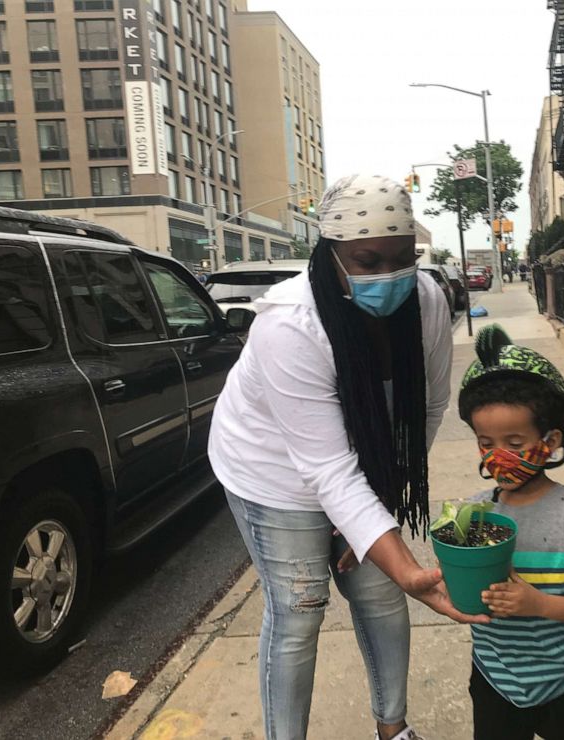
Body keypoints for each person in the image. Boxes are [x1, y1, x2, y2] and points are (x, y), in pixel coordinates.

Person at [208, 174, 487, 740]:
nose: (389, 275)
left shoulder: (427, 299)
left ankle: (394, 728)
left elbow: (426, 410)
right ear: (331, 253)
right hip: (273, 471)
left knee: (381, 590)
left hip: (363, 459)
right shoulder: (290, 323)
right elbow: (326, 469)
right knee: (299, 610)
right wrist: (404, 563)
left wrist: (373, 516)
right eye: (367, 259)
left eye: (401, 257)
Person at [457, 325, 564, 740]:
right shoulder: (474, 513)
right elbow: (459, 584)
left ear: (549, 442)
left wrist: (537, 603)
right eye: (485, 442)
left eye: (514, 442)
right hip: (495, 676)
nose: (498, 455)